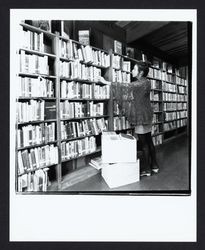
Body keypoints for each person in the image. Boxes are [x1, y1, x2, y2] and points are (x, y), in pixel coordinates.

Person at [126, 61, 159, 176]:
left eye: (134, 69)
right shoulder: (147, 82)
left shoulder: (139, 83)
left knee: (144, 143)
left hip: (140, 116)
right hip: (147, 115)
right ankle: (154, 165)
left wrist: (106, 82)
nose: (131, 71)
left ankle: (146, 170)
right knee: (149, 140)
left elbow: (123, 86)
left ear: (140, 72)